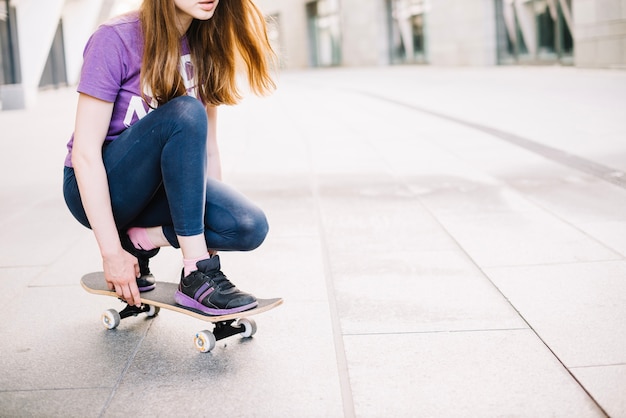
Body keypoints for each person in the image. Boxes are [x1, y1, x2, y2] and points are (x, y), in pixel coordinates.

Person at [63, 0, 276, 314]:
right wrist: (111, 253)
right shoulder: (115, 39)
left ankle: (141, 240)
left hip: (160, 190)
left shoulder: (205, 42)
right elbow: (84, 154)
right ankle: (196, 274)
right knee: (184, 112)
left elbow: (208, 150)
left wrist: (204, 235)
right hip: (100, 187)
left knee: (247, 225)